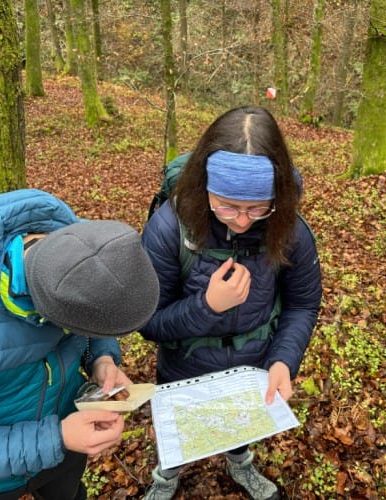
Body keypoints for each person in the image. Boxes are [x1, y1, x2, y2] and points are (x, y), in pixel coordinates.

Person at [140, 106, 322, 500]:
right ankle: (166, 476)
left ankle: (240, 463)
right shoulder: (169, 228)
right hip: (184, 368)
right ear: (203, 186)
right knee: (179, 432)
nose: (241, 221)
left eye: (257, 208)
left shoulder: (288, 228)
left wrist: (282, 361)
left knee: (240, 425)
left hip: (251, 366)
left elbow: (302, 304)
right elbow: (149, 323)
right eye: (226, 205)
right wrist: (207, 306)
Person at [0, 188, 160, 500]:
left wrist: (102, 358)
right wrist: (58, 437)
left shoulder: (79, 248)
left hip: (65, 451)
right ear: (49, 310)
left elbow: (94, 310)